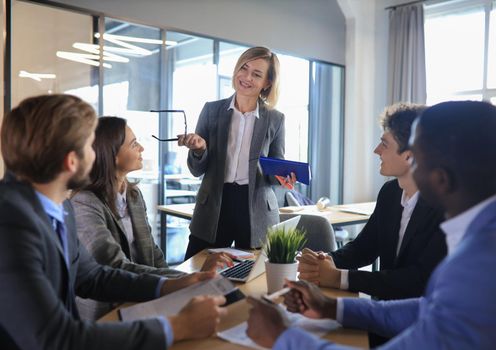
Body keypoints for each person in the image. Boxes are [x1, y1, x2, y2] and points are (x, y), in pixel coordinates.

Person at [246, 100, 496, 349]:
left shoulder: (488, 263)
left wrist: (282, 337)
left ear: (441, 179)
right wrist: (333, 307)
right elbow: (430, 310)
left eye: (418, 159)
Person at [0, 94, 227, 350]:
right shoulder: (10, 225)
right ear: (71, 162)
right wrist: (178, 326)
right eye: (89, 146)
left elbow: (92, 277)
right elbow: (55, 338)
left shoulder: (57, 206)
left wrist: (172, 284)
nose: (95, 154)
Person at [72, 116, 233, 320]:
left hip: (143, 299)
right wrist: (185, 280)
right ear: (113, 156)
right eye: (134, 144)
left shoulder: (133, 195)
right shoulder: (84, 202)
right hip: (106, 310)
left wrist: (183, 288)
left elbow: (153, 253)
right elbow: (115, 265)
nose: (142, 149)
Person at [298, 103, 447, 301]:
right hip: (381, 311)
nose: (377, 151)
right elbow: (363, 248)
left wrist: (339, 278)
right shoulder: (390, 193)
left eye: (384, 144)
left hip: (418, 320)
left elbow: (416, 280)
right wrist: (325, 261)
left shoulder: (443, 207)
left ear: (409, 156)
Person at [178, 46, 288, 259]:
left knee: (251, 275)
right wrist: (200, 150)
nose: (246, 77)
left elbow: (274, 168)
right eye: (244, 68)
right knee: (196, 270)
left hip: (255, 208)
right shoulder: (211, 110)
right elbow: (196, 170)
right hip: (214, 205)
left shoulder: (276, 119)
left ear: (267, 83)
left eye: (256, 74)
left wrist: (283, 177)